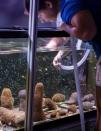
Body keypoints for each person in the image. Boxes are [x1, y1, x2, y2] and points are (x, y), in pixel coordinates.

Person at [24, 0, 101, 130]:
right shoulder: (68, 8)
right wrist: (52, 48)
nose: (41, 20)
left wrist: (65, 27)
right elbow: (68, 33)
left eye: (39, 15)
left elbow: (86, 31)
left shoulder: (68, 6)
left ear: (48, 4)